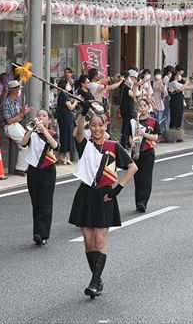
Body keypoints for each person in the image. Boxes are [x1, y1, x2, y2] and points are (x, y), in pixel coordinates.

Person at [69, 106, 138, 299]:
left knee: (100, 240)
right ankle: (97, 279)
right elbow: (79, 132)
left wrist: (118, 189)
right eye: (93, 125)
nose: (97, 129)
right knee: (88, 242)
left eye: (100, 125)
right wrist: (82, 114)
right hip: (85, 195)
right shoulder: (85, 144)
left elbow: (133, 167)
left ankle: (93, 283)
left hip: (105, 195)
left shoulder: (114, 146)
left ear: (105, 125)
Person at [21, 109, 58, 246]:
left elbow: (55, 145)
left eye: (44, 116)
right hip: (33, 170)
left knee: (45, 203)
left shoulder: (53, 134)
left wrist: (44, 130)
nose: (40, 117)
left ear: (49, 120)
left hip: (48, 170)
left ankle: (43, 234)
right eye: (38, 115)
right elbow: (23, 143)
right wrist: (31, 129)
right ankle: (37, 233)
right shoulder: (32, 134)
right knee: (36, 202)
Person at [130, 98, 160, 213]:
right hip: (136, 152)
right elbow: (129, 135)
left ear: (148, 107)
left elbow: (156, 137)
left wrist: (144, 134)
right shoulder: (134, 121)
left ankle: (143, 202)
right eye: (140, 106)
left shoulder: (153, 122)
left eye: (144, 105)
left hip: (148, 152)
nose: (142, 108)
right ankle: (138, 201)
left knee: (146, 178)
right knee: (137, 178)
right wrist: (132, 142)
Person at [0, 80, 31, 176]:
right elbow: (9, 121)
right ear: (15, 91)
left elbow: (17, 117)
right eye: (18, 89)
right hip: (8, 126)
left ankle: (25, 166)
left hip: (15, 125)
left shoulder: (15, 102)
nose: (19, 91)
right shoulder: (7, 102)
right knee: (24, 145)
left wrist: (23, 112)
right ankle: (20, 168)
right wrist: (22, 113)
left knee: (28, 140)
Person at [57, 79, 78, 164]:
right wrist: (76, 101)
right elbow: (70, 107)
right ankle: (64, 156)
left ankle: (65, 156)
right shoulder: (63, 95)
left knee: (68, 136)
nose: (69, 86)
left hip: (67, 117)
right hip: (65, 117)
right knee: (66, 136)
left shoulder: (65, 95)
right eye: (68, 84)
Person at [119, 68, 140, 149]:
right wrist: (135, 85)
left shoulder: (124, 87)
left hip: (126, 110)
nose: (131, 80)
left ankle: (125, 143)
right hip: (127, 111)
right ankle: (124, 144)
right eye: (129, 78)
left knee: (126, 127)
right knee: (127, 128)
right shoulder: (126, 88)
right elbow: (134, 95)